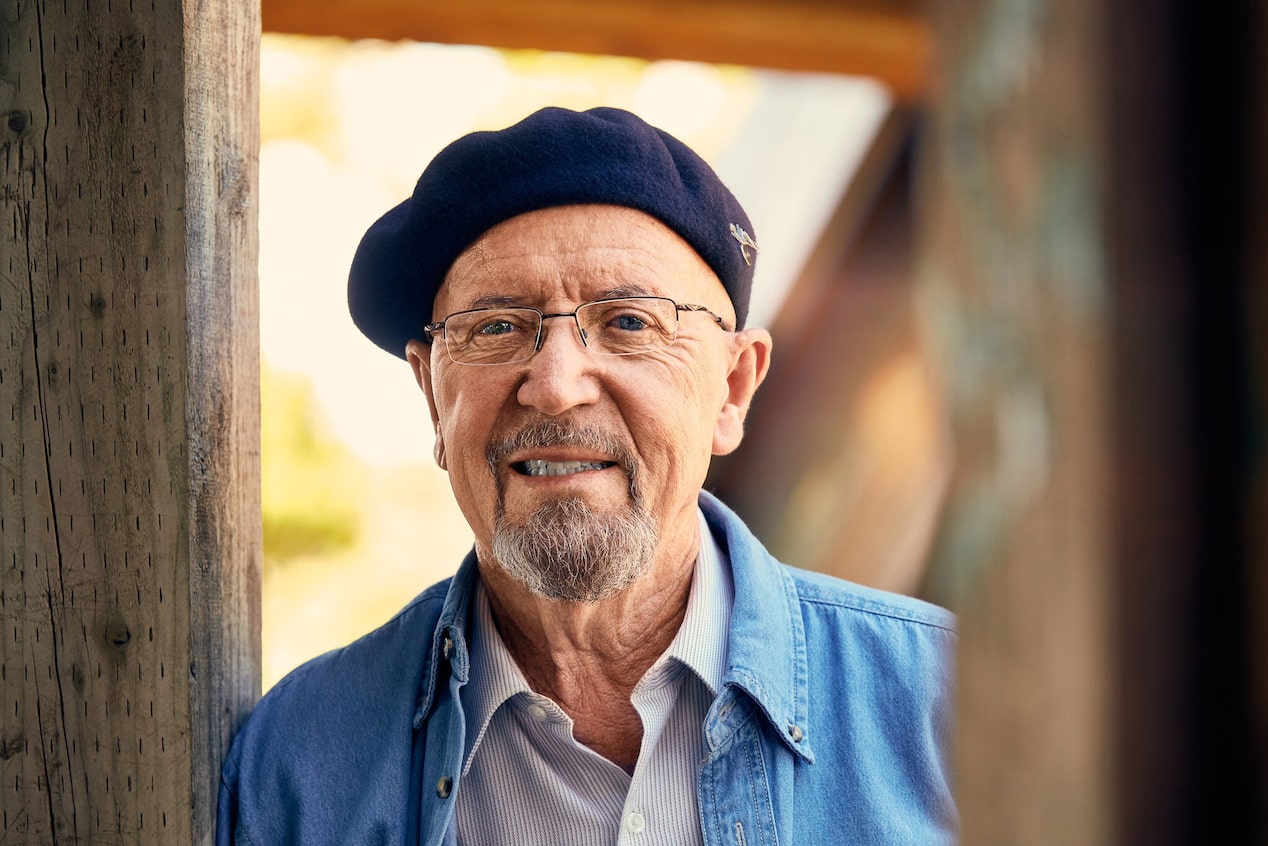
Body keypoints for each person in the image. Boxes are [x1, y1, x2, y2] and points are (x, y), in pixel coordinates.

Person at [218, 106, 956, 845]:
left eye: (629, 322)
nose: (556, 384)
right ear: (432, 399)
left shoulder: (947, 705)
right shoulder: (296, 763)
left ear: (732, 389)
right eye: (495, 327)